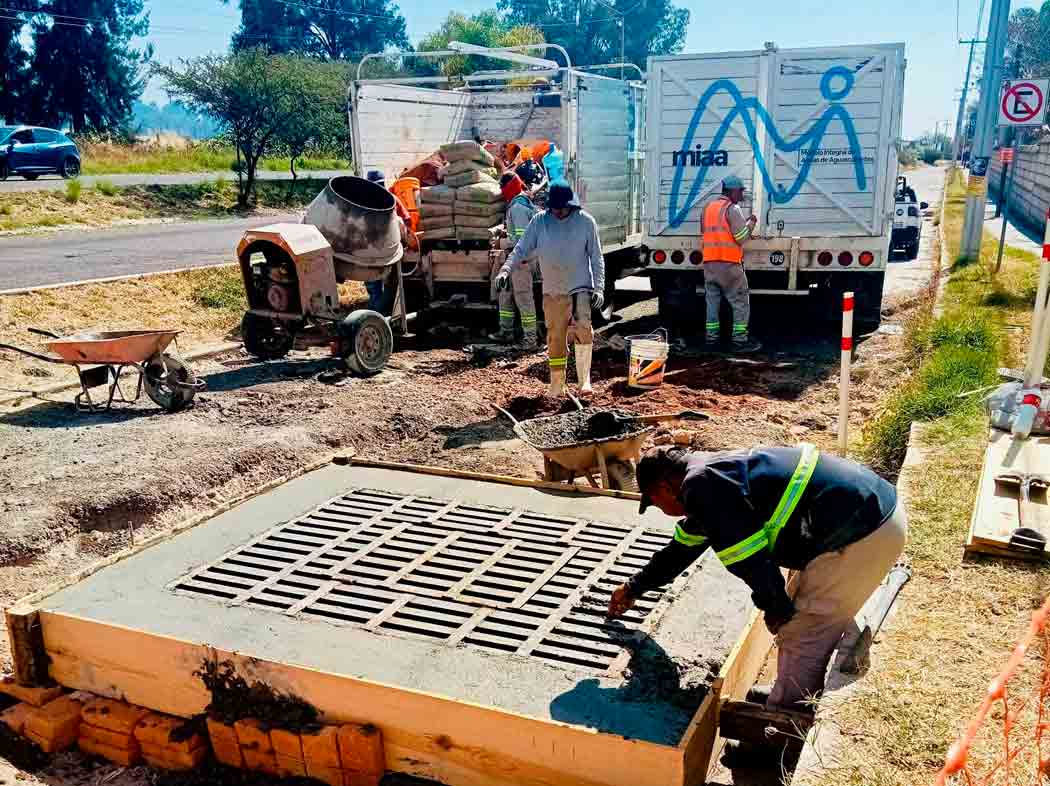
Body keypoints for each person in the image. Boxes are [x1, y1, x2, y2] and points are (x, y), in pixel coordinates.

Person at [607, 444, 906, 717]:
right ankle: (786, 692)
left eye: (656, 502)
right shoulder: (713, 477)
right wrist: (634, 587)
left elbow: (749, 559)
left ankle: (782, 724)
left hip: (864, 532)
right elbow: (679, 553)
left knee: (802, 629)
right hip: (874, 512)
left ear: (663, 487)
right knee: (798, 612)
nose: (662, 511)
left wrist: (775, 607)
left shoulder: (701, 487)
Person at [497, 181, 604, 396]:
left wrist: (599, 287)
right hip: (553, 291)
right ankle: (557, 384)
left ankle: (584, 381)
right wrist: (505, 270)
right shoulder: (539, 222)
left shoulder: (586, 222)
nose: (558, 212)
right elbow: (521, 248)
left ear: (571, 205)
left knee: (583, 328)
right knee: (555, 336)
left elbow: (596, 257)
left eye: (562, 208)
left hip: (579, 287)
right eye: (554, 208)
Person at [702, 175, 760, 353]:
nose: (742, 195)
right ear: (731, 191)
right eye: (740, 191)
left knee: (712, 302)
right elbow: (741, 238)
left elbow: (704, 233)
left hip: (710, 263)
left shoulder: (708, 208)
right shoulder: (732, 209)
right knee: (740, 301)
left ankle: (711, 339)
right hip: (728, 264)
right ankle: (740, 341)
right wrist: (751, 223)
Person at [489, 173, 539, 349]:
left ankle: (530, 340)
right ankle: (506, 331)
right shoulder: (522, 202)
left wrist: (520, 260)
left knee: (524, 298)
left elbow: (522, 238)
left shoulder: (517, 207)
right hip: (515, 257)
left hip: (521, 260)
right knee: (506, 294)